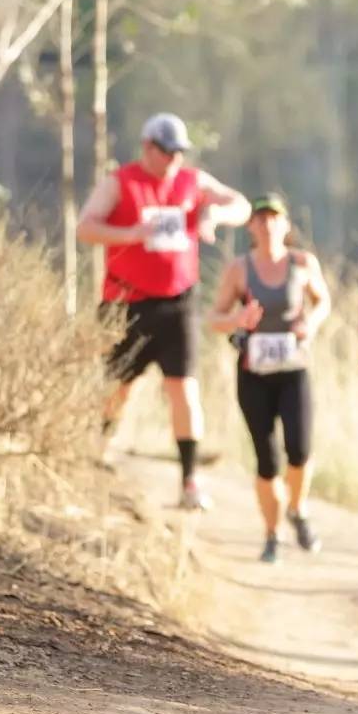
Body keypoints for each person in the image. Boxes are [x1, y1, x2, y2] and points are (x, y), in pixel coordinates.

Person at [77, 112, 250, 510]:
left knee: (184, 389)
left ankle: (189, 481)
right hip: (126, 304)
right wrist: (131, 235)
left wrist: (214, 214)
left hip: (177, 304)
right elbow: (85, 228)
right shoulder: (120, 183)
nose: (174, 160)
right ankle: (97, 455)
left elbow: (239, 204)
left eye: (179, 153)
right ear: (148, 148)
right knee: (116, 388)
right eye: (167, 152)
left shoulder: (193, 182)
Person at [209, 193, 332, 563]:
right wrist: (238, 321)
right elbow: (214, 318)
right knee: (267, 459)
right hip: (254, 374)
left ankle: (298, 509)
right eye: (260, 218)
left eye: (274, 217)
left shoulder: (302, 263)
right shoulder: (239, 269)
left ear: (286, 224)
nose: (267, 224)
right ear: (251, 227)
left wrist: (308, 323)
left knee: (300, 449)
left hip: (294, 371)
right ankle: (272, 534)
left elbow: (323, 300)